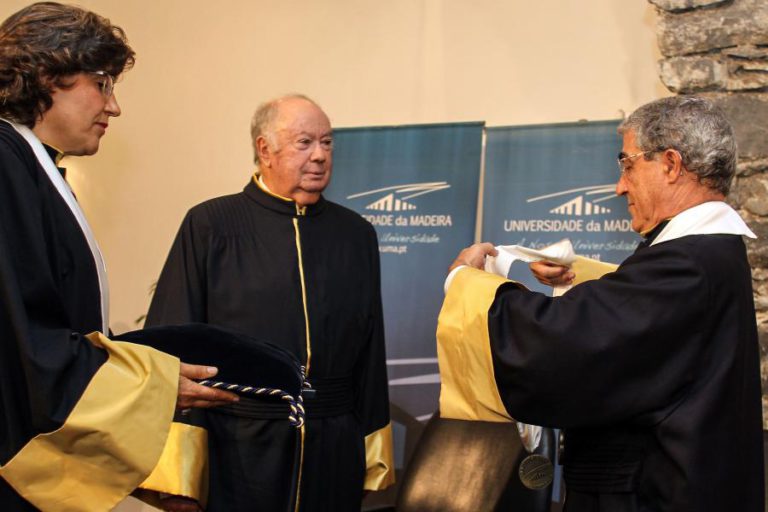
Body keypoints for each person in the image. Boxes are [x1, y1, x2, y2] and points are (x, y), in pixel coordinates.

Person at [439, 96, 763, 512]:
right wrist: (582, 283)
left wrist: (467, 283)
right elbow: (637, 332)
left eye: (627, 164)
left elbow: (566, 345)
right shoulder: (705, 254)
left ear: (670, 164)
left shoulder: (687, 265)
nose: (620, 185)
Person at [0, 4, 237, 510]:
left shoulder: (30, 166)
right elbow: (27, 342)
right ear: (47, 74)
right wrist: (149, 384)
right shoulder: (5, 163)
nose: (114, 106)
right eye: (102, 83)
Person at [146, 94, 394, 511]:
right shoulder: (210, 224)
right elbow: (174, 349)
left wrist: (372, 454)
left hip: (332, 450)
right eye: (304, 143)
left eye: (327, 143)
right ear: (265, 149)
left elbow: (371, 351)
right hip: (238, 446)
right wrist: (176, 472)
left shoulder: (356, 234)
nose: (319, 156)